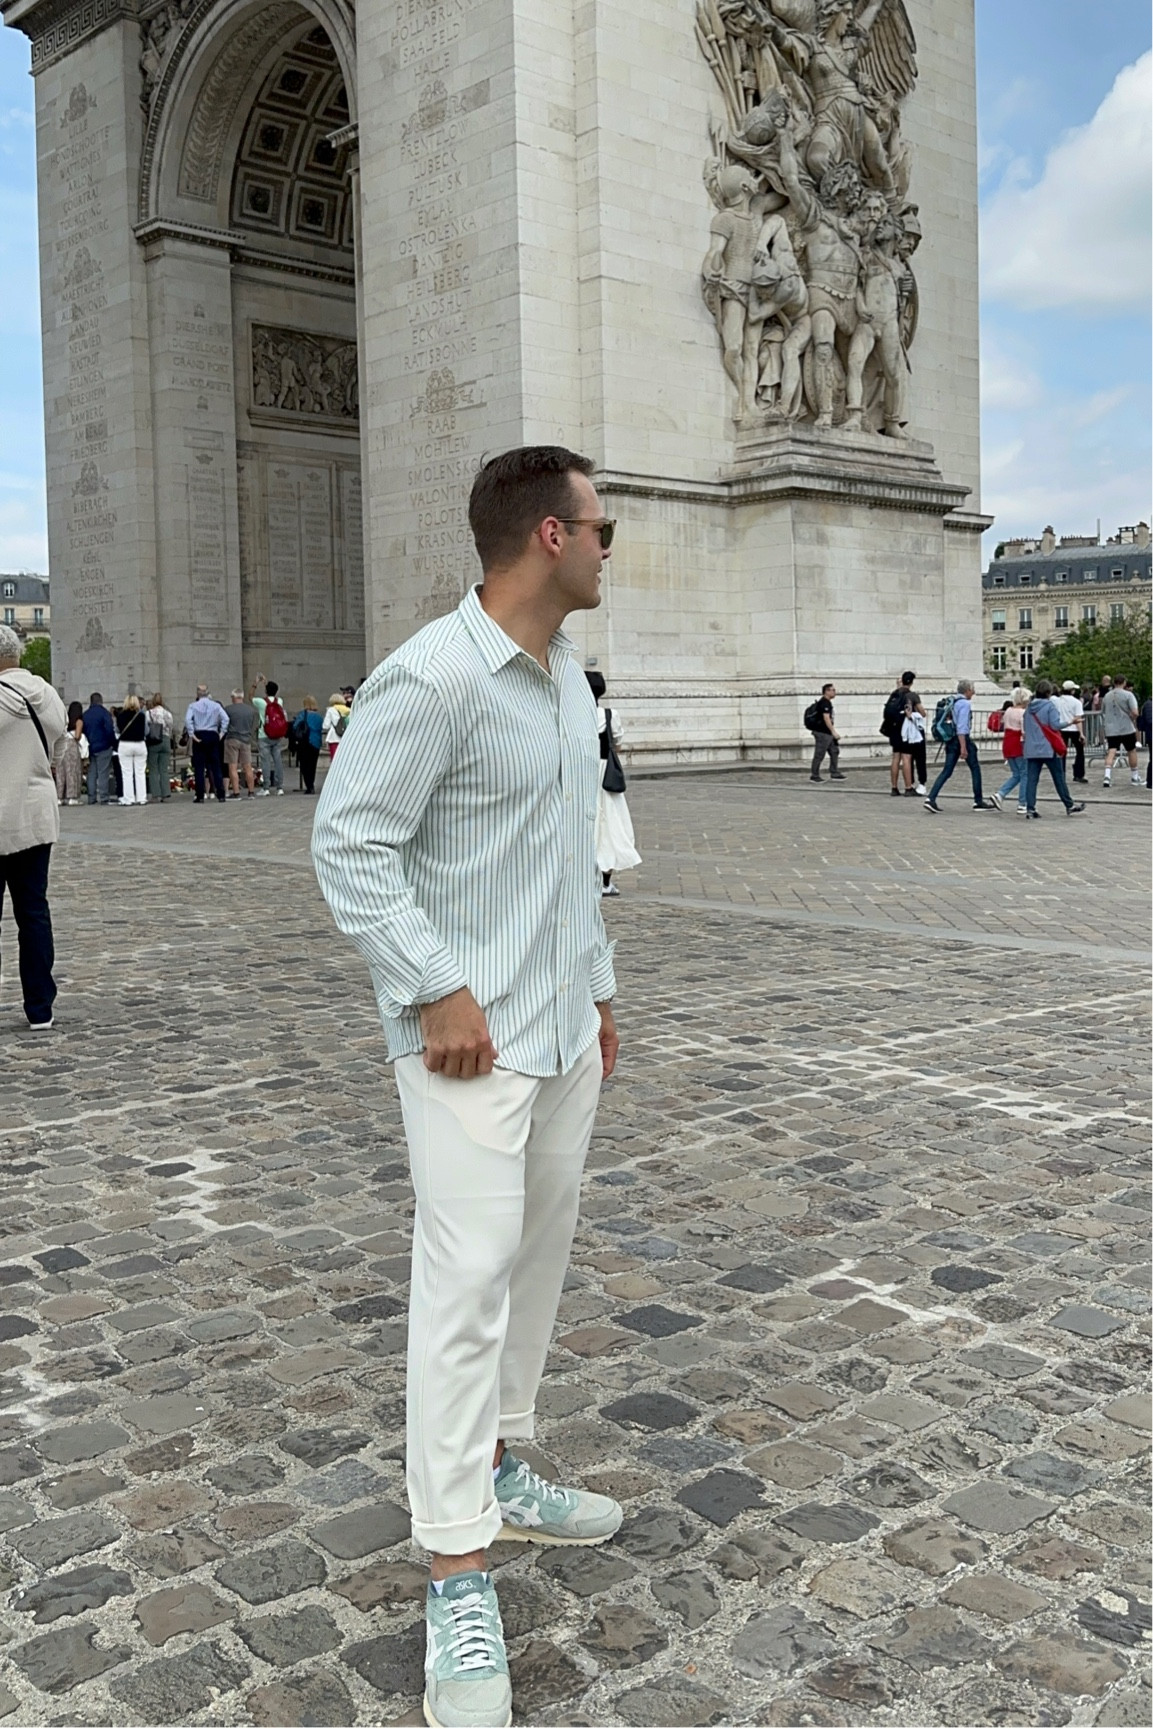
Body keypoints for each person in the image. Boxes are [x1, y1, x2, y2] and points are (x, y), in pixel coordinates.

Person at [313, 445, 623, 1729]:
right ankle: (454, 1569)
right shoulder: (433, 675)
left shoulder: (563, 680)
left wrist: (598, 990)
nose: (611, 549)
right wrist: (434, 986)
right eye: (604, 528)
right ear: (550, 535)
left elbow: (567, 858)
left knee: (532, 1259)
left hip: (557, 1028)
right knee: (464, 1282)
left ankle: (495, 1464)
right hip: (466, 1040)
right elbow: (349, 841)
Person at [0, 623, 68, 1028]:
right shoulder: (47, 694)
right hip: (35, 815)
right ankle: (40, 1007)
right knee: (34, 912)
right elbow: (58, 750)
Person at [585, 671, 641, 894]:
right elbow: (617, 744)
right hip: (604, 774)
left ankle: (585, 878)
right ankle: (605, 881)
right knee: (610, 826)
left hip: (582, 771)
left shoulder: (573, 713)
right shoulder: (609, 715)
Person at [925, 680, 995, 814]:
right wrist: (963, 747)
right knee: (975, 768)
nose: (973, 692)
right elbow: (962, 727)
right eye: (972, 689)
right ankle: (978, 801)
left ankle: (931, 798)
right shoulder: (964, 704)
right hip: (961, 739)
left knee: (947, 771)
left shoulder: (953, 701)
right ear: (967, 690)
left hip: (951, 740)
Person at [1023, 680, 1086, 819]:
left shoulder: (1029, 708)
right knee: (1058, 778)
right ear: (1048, 693)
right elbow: (1055, 725)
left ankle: (1030, 809)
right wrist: (1071, 722)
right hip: (1048, 747)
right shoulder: (1049, 706)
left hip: (1031, 748)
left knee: (1032, 780)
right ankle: (1069, 804)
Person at [184, 684, 229, 804]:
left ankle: (200, 795)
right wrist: (221, 733)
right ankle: (221, 794)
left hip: (199, 734)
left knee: (199, 767)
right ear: (208, 692)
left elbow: (188, 720)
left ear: (197, 693)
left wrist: (192, 734)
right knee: (216, 765)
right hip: (212, 733)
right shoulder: (216, 705)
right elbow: (226, 719)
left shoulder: (193, 706)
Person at [989, 687, 1029, 814]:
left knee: (1016, 774)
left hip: (1008, 742)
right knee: (1025, 774)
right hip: (1018, 744)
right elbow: (1024, 732)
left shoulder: (1008, 711)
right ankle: (1022, 803)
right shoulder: (1023, 713)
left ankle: (1001, 794)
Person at [881, 670, 920, 796]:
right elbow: (918, 712)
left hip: (893, 729)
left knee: (895, 758)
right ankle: (908, 788)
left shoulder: (894, 694)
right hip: (905, 730)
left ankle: (894, 787)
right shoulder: (910, 695)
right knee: (906, 758)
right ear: (912, 682)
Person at [1100, 676, 1141, 787]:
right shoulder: (1128, 695)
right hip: (1126, 727)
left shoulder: (1107, 696)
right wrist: (1132, 718)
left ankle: (1107, 776)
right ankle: (1135, 776)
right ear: (1124, 682)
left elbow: (1103, 711)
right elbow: (1135, 712)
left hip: (1111, 728)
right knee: (1131, 751)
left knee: (1111, 751)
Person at [251, 676, 287, 795]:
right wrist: (267, 683)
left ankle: (266, 788)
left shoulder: (261, 702)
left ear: (266, 691)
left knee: (265, 762)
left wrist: (255, 684)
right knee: (278, 761)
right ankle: (280, 787)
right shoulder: (279, 701)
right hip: (277, 735)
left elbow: (250, 697)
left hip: (264, 734)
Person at [82, 691, 117, 805]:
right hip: (104, 746)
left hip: (90, 748)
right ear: (101, 701)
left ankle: (91, 797)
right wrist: (113, 743)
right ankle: (104, 796)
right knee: (103, 772)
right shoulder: (104, 713)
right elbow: (109, 730)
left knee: (92, 773)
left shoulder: (85, 715)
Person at [806, 682, 846, 782]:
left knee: (834, 751)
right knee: (819, 754)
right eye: (833, 690)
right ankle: (814, 775)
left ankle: (834, 772)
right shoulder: (824, 703)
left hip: (827, 733)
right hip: (822, 732)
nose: (835, 692)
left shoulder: (826, 702)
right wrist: (833, 732)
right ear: (827, 691)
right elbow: (826, 718)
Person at [223, 687, 259, 798]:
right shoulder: (251, 710)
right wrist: (250, 734)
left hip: (232, 738)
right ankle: (251, 792)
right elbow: (256, 725)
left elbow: (223, 724)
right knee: (247, 766)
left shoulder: (228, 709)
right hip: (246, 739)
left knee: (232, 766)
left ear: (234, 697)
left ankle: (236, 792)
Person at [113, 695, 148, 805]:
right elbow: (146, 731)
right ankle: (141, 798)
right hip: (140, 744)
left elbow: (117, 730)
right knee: (140, 772)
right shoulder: (141, 715)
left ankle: (129, 799)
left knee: (126, 773)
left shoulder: (120, 715)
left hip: (125, 744)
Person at [1052, 680, 1086, 783]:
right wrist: (1081, 733)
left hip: (1061, 728)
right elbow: (1078, 718)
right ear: (1072, 691)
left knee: (1062, 752)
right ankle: (1078, 774)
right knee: (1079, 751)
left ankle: (1061, 774)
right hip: (1074, 728)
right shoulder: (1077, 702)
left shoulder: (1056, 700)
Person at [291, 696, 325, 794]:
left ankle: (309, 786)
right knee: (312, 765)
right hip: (316, 742)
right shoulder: (319, 717)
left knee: (304, 765)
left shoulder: (303, 714)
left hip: (305, 742)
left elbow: (295, 726)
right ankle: (311, 784)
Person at [145, 693, 174, 802]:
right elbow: (171, 727)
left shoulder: (148, 713)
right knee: (164, 769)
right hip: (165, 740)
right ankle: (165, 794)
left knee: (153, 769)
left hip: (154, 740)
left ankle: (155, 795)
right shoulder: (168, 713)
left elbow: (146, 728)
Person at [54, 701, 85, 805]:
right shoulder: (79, 721)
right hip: (72, 745)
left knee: (61, 772)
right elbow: (77, 736)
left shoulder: (64, 720)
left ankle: (59, 797)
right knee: (72, 771)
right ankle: (72, 797)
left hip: (62, 745)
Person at [322, 691, 351, 759]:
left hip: (334, 738)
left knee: (334, 759)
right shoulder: (349, 710)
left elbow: (325, 726)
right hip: (346, 737)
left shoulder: (331, 710)